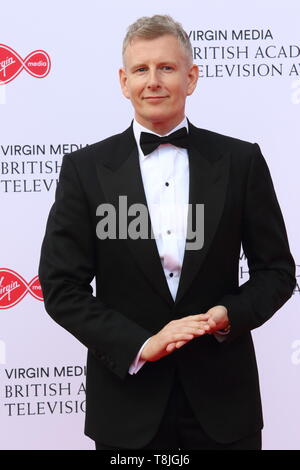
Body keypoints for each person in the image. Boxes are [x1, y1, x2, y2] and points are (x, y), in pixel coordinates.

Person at [38, 15, 295, 450]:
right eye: (141, 69)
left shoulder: (241, 161)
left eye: (167, 68)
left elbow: (277, 271)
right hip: (127, 407)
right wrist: (141, 344)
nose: (153, 81)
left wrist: (227, 316)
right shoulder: (85, 171)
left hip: (224, 406)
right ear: (123, 81)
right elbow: (62, 286)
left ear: (191, 77)